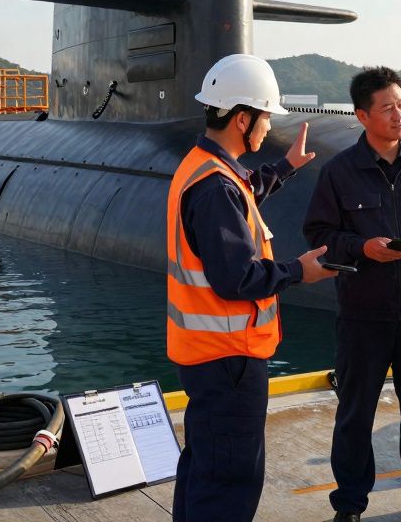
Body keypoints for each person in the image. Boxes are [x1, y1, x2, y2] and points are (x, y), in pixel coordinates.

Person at [168, 53, 339, 522]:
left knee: (204, 470)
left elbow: (238, 199)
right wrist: (299, 270)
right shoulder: (213, 186)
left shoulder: (205, 169)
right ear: (242, 118)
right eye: (265, 117)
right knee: (229, 482)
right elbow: (236, 278)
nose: (268, 127)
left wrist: (285, 167)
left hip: (208, 356)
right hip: (229, 360)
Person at [303, 67, 401, 522]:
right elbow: (318, 234)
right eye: (388, 107)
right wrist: (363, 248)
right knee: (355, 414)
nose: (400, 115)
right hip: (363, 314)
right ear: (362, 116)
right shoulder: (340, 173)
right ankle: (351, 504)